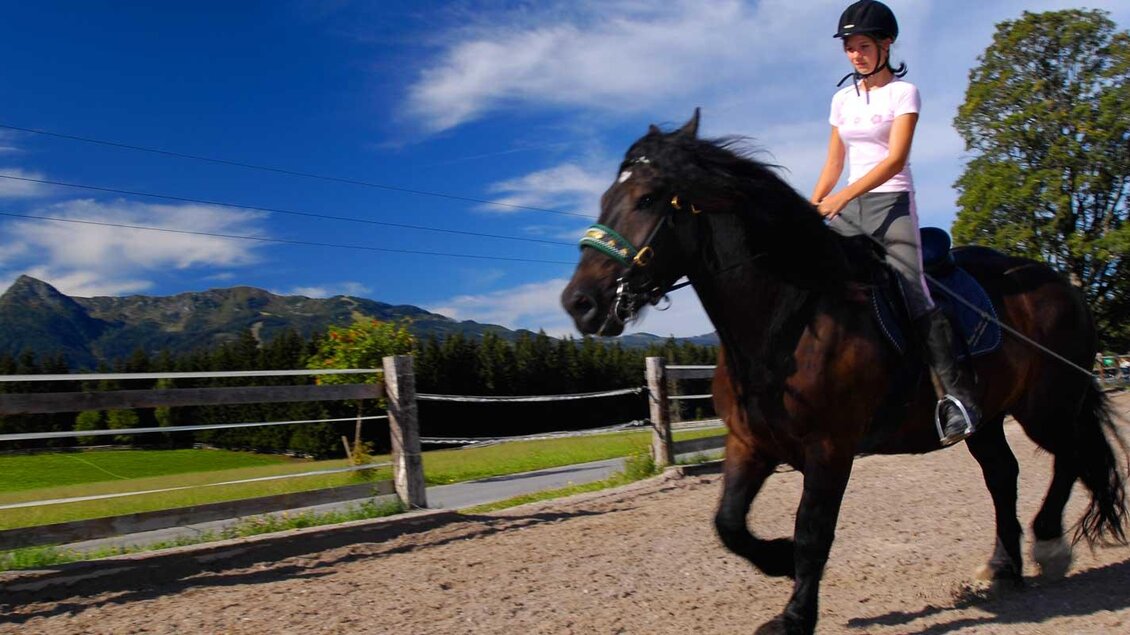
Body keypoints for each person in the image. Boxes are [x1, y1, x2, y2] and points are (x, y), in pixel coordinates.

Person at [809, 0, 980, 446]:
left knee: (912, 287)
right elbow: (834, 163)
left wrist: (843, 195)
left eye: (863, 46)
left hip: (893, 205)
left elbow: (895, 159)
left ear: (886, 45)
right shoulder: (842, 100)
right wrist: (812, 205)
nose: (855, 55)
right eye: (849, 47)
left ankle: (956, 398)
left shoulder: (904, 93)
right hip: (849, 208)